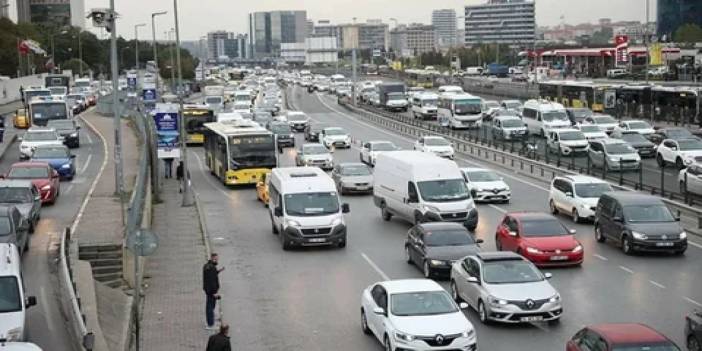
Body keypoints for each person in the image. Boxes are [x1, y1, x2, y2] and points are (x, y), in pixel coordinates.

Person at [203, 253, 224, 330]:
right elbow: (211, 281)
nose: (216, 261)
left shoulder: (208, 266)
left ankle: (210, 321)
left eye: (217, 259)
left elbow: (211, 276)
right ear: (212, 259)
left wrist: (218, 271)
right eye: (215, 259)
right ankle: (210, 324)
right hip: (211, 291)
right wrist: (214, 293)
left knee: (211, 306)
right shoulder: (211, 268)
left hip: (208, 290)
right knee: (210, 307)